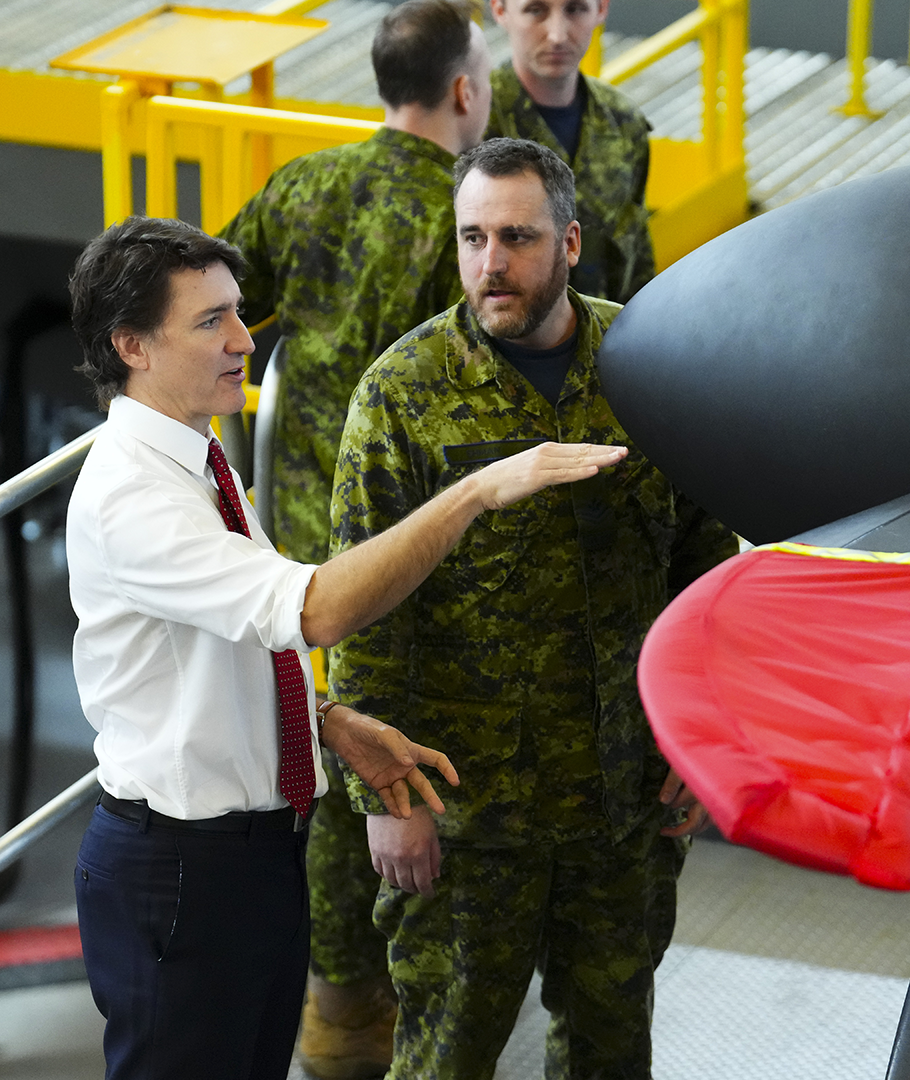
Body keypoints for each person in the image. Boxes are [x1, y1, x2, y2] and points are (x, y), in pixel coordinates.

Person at [65, 215, 627, 1080]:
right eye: (210, 321)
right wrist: (474, 491)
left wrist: (326, 718)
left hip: (249, 857)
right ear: (131, 344)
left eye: (238, 313)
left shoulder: (197, 461)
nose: (245, 341)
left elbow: (222, 641)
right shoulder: (132, 496)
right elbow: (314, 610)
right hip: (182, 872)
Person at [330, 138, 737, 1079]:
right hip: (470, 817)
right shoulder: (403, 396)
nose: (490, 264)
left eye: (516, 237)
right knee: (446, 1058)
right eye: (472, 237)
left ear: (571, 242)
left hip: (621, 801)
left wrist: (700, 738)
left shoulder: (650, 365)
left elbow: (703, 563)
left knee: (610, 1049)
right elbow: (366, 612)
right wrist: (391, 802)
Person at [217, 3, 494, 1072]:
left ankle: (336, 1022)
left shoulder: (305, 186)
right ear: (465, 90)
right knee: (423, 767)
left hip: (301, 560)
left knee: (329, 752)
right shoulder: (467, 227)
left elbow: (229, 314)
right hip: (427, 556)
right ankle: (424, 1008)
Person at [486, 0, 655, 302]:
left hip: (607, 340)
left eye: (575, 9)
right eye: (535, 10)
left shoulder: (624, 122)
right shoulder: (474, 125)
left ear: (601, 9)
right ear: (500, 10)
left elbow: (637, 261)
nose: (557, 35)